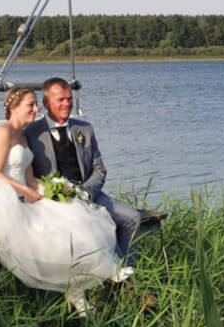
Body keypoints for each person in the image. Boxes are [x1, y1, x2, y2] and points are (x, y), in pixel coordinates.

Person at [0, 87, 130, 314]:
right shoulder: (2, 133)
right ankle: (77, 293)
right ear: (14, 107)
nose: (36, 109)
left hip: (23, 196)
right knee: (43, 235)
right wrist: (25, 192)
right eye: (31, 105)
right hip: (0, 197)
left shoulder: (23, 138)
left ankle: (84, 287)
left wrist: (55, 189)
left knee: (71, 218)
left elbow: (30, 179)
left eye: (36, 104)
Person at [25, 77, 143, 267]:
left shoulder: (84, 129)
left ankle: (128, 268)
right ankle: (125, 280)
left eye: (69, 98)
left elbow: (99, 168)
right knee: (95, 228)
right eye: (60, 100)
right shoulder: (31, 133)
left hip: (89, 195)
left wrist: (87, 191)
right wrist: (56, 194)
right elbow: (30, 176)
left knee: (133, 218)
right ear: (46, 103)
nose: (67, 104)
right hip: (56, 203)